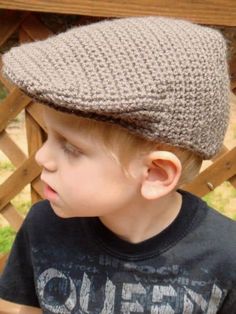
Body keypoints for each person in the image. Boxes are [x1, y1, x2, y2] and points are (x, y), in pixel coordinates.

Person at [0, 16, 235, 314]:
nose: (41, 157)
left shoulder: (226, 256)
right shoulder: (44, 226)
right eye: (48, 135)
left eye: (70, 147)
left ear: (155, 174)